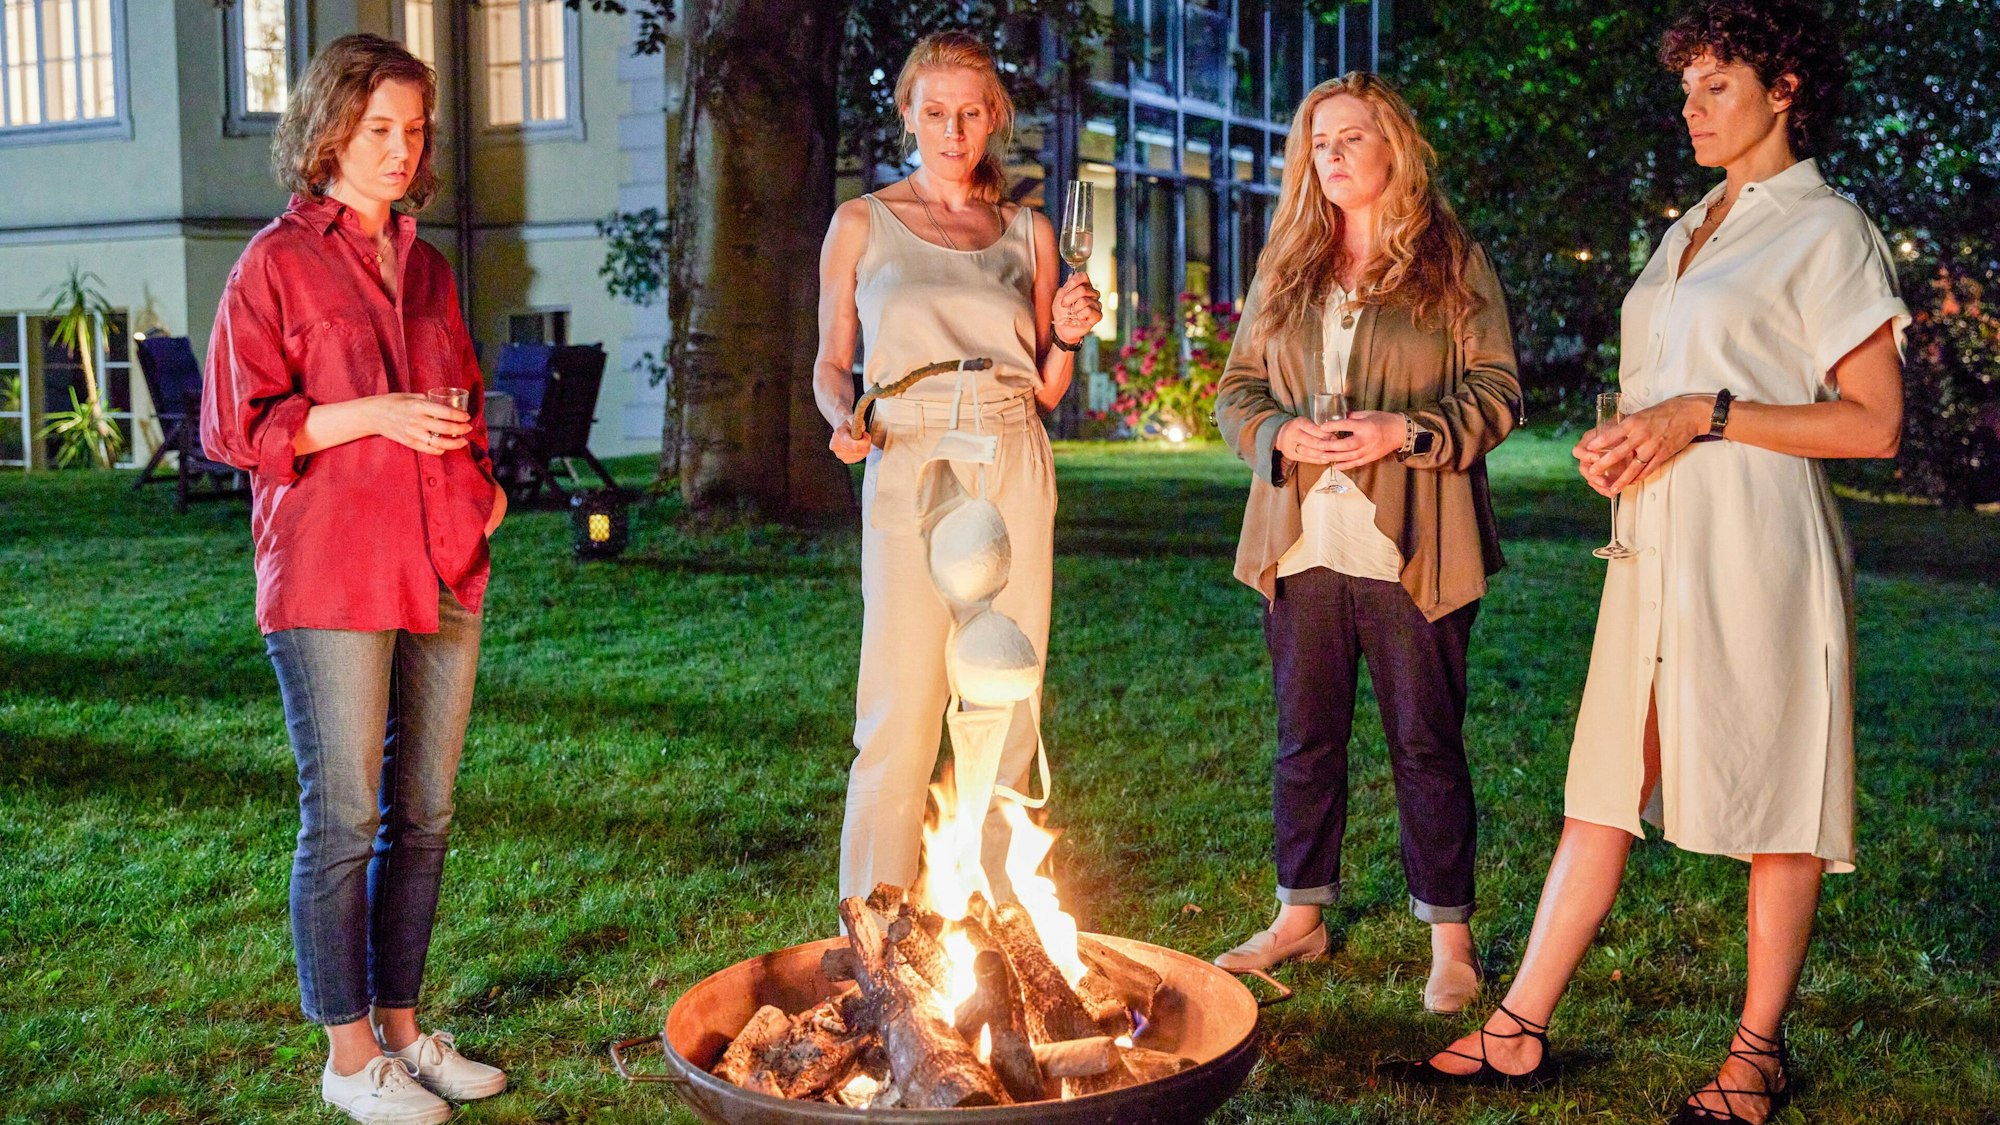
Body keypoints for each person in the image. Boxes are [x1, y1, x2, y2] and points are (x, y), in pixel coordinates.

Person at [1393, 4, 1906, 1121]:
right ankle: (1517, 1025)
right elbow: (1669, 391)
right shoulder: (1690, 229)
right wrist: (1626, 438)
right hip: (1652, 541)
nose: (1690, 110)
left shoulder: (1826, 231)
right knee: (1598, 783)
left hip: (1756, 545)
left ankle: (1756, 1053)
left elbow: (1870, 425)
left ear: (1783, 89)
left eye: (1714, 86)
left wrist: (1700, 414)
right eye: (1683, 90)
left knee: (1777, 789)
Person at [202, 34, 510, 1125]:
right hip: (331, 571)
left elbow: (463, 392)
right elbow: (230, 429)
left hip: (443, 562)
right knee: (343, 812)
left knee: (422, 813)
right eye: (378, 127)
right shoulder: (274, 265)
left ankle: (405, 1031)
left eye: (414, 130)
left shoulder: (426, 267)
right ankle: (347, 1058)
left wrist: (484, 489)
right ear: (328, 131)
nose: (398, 148)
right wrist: (365, 416)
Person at [1212, 72, 1522, 1014]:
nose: (1333, 155)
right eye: (1320, 141)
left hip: (1413, 545)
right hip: (1303, 543)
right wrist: (1276, 437)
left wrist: (1406, 433)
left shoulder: (1449, 259)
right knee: (1304, 743)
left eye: (1352, 137)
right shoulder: (1289, 260)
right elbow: (1237, 390)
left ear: (1395, 147)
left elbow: (1500, 391)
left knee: (1425, 743)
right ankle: (1300, 916)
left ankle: (1451, 939)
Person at [812, 31, 1102, 904]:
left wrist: (1071, 334)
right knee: (901, 697)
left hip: (1011, 444)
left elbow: (1049, 384)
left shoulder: (1029, 230)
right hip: (912, 448)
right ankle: (876, 919)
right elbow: (832, 364)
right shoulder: (860, 222)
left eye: (970, 112)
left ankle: (995, 919)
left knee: (1005, 688)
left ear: (993, 119)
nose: (952, 128)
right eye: (934, 111)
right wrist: (844, 421)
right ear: (907, 113)